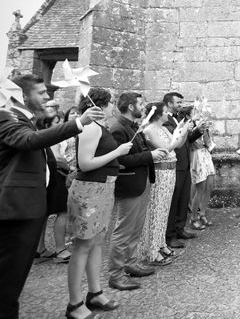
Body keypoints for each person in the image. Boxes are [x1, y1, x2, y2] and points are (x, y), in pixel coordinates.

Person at [0, 74, 103, 319]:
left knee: (15, 276)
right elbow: (28, 141)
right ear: (22, 95)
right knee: (8, 278)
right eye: (41, 92)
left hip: (31, 206)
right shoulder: (6, 117)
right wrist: (78, 124)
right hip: (16, 209)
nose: (48, 97)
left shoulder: (27, 118)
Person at [65, 87, 133, 319]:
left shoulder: (100, 127)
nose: (114, 106)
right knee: (82, 246)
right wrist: (118, 153)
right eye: (111, 102)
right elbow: (85, 164)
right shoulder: (91, 128)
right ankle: (74, 304)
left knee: (96, 243)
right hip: (89, 191)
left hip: (103, 189)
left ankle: (95, 292)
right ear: (100, 105)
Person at [108, 93, 167, 291]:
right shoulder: (118, 128)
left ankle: (130, 264)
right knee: (123, 230)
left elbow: (137, 150)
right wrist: (150, 155)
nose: (144, 107)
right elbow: (119, 160)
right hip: (130, 184)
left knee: (135, 228)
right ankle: (115, 274)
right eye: (141, 104)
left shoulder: (133, 125)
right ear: (131, 107)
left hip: (142, 182)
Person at [141, 102, 188, 266]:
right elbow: (166, 149)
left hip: (170, 171)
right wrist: (177, 137)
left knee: (165, 210)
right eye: (166, 112)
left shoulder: (164, 129)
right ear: (158, 114)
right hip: (160, 173)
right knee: (157, 210)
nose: (168, 114)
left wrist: (182, 132)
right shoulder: (149, 130)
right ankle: (152, 250)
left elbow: (177, 146)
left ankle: (161, 244)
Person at [163, 92, 205, 249]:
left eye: (181, 103)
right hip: (175, 165)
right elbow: (173, 141)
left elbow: (186, 140)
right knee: (174, 201)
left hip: (185, 163)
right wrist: (185, 129)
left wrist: (199, 130)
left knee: (183, 199)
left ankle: (180, 229)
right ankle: (170, 235)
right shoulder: (164, 120)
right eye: (178, 102)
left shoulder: (177, 119)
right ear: (169, 104)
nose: (180, 105)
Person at [35, 113, 72, 264]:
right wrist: (69, 166)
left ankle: (40, 248)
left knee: (44, 213)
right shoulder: (53, 137)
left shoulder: (40, 136)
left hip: (47, 176)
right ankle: (61, 249)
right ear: (47, 124)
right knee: (62, 211)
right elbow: (57, 158)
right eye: (57, 122)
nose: (60, 124)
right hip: (57, 176)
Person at [187, 107, 216, 229]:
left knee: (209, 186)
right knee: (200, 188)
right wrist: (198, 128)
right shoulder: (189, 126)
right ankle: (193, 218)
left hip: (206, 155)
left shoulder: (204, 128)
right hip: (197, 156)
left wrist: (207, 133)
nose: (200, 118)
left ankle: (202, 213)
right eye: (198, 116)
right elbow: (190, 140)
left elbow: (209, 144)